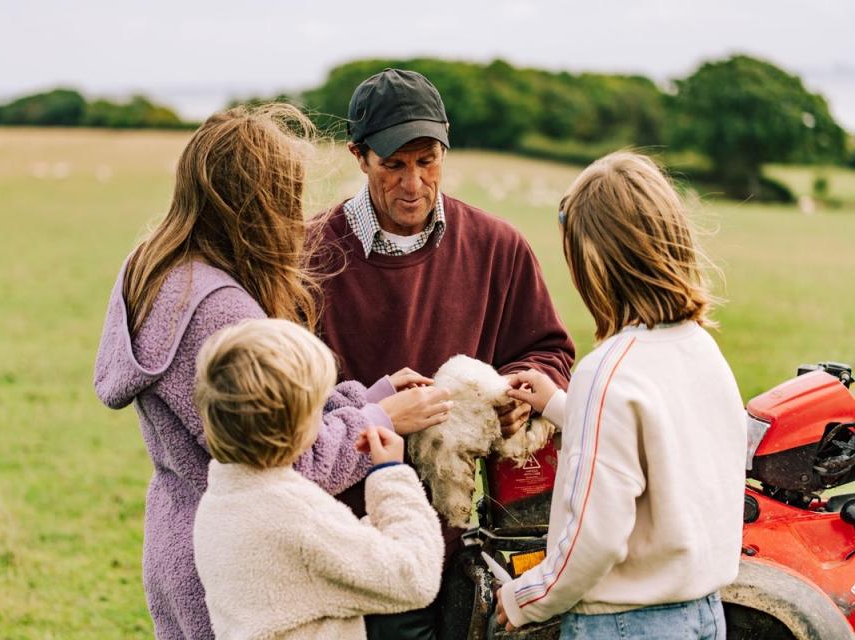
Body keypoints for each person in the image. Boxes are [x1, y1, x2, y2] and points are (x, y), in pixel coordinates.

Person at [93, 104, 451, 640]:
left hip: (189, 532)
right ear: (256, 204)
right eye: (288, 198)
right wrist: (380, 419)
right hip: (244, 561)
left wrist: (367, 396)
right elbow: (288, 456)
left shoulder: (158, 268)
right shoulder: (215, 308)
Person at [311, 68, 576, 638]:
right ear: (359, 157)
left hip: (461, 539)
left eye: (427, 160)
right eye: (394, 165)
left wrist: (517, 394)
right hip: (351, 547)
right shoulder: (309, 258)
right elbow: (286, 401)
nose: (414, 183)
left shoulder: (496, 246)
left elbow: (547, 348)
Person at [494, 152, 747, 639]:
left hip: (624, 623)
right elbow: (662, 445)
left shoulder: (607, 372)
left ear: (595, 261)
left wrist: (528, 596)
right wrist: (557, 404)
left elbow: (596, 537)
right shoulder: (699, 347)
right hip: (702, 614)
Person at [192, 318, 445, 639]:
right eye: (319, 406)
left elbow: (327, 550)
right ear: (300, 424)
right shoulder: (299, 516)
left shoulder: (219, 504)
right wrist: (392, 477)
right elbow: (414, 578)